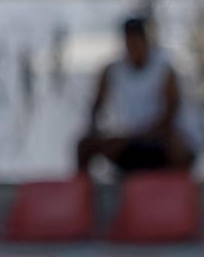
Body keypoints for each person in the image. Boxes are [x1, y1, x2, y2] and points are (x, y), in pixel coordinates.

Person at [76, 15, 193, 174]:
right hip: (124, 140)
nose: (134, 47)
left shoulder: (164, 69)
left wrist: (137, 136)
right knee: (84, 146)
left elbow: (170, 114)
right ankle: (84, 194)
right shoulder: (112, 70)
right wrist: (98, 132)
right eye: (129, 42)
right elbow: (96, 108)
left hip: (155, 139)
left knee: (179, 149)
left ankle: (180, 193)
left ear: (146, 41)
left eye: (137, 41)